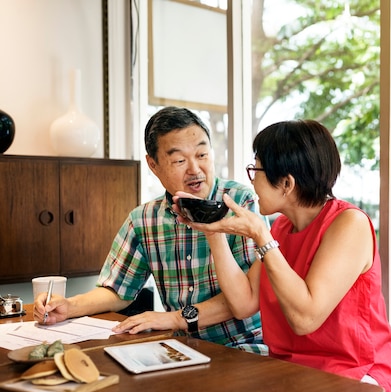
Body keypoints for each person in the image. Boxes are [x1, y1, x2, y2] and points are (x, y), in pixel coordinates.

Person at [174, 119, 391, 392]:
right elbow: (244, 303)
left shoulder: (350, 224)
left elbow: (305, 319)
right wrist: (213, 233)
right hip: (294, 376)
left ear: (286, 183)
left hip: (359, 383)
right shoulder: (282, 227)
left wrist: (261, 236)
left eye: (255, 170)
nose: (251, 181)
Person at [34, 106, 266, 354]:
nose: (195, 169)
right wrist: (69, 306)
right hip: (181, 350)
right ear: (153, 165)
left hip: (243, 347)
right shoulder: (144, 219)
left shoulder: (240, 203)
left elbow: (249, 296)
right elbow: (116, 290)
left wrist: (176, 318)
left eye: (202, 154)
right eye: (179, 160)